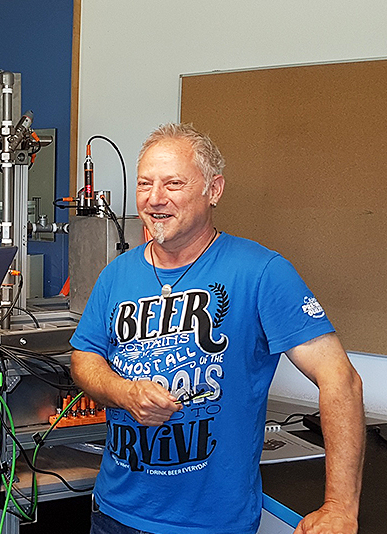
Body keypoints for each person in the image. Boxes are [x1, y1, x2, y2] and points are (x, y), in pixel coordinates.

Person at [70, 123, 364, 534]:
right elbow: (84, 357)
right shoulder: (115, 275)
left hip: (212, 524)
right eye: (145, 183)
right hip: (114, 514)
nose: (155, 199)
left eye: (173, 183)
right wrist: (122, 391)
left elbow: (341, 379)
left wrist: (339, 506)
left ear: (214, 190)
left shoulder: (261, 272)